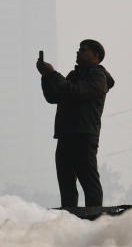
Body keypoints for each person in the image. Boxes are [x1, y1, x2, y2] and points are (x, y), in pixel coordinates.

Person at [37, 40, 114, 208]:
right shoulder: (74, 75)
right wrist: (46, 76)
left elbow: (76, 92)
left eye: (83, 50)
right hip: (66, 134)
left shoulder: (98, 77)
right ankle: (69, 216)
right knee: (66, 182)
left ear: (96, 56)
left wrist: (53, 74)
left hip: (84, 135)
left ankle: (94, 216)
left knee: (88, 180)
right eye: (79, 49)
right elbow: (54, 96)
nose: (78, 52)